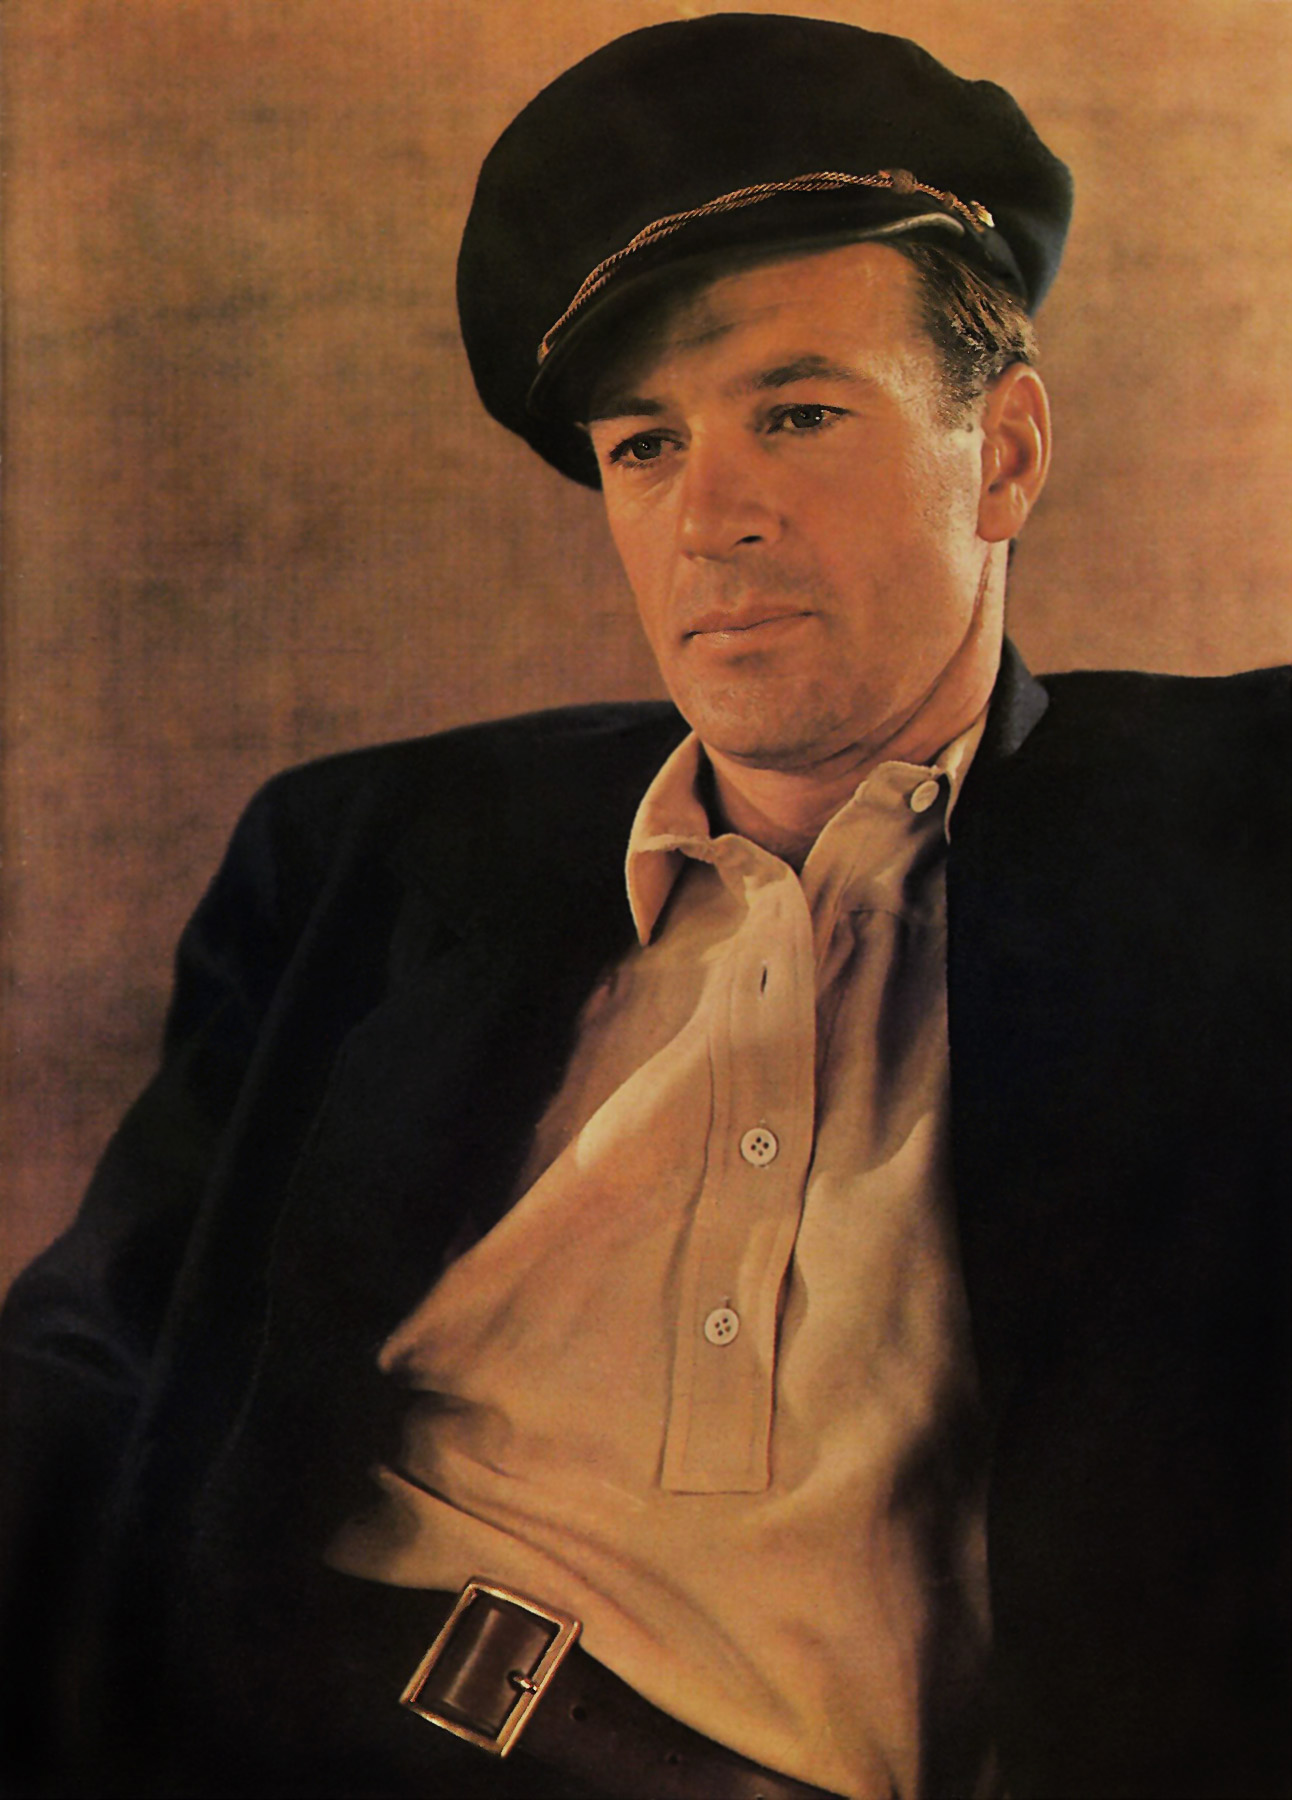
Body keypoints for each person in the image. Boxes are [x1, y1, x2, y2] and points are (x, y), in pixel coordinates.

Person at [1, 14, 1287, 1800]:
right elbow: (94, 1354)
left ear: (1003, 454)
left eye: (799, 414)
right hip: (244, 1726)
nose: (709, 518)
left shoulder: (1228, 837)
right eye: (645, 447)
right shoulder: (373, 850)